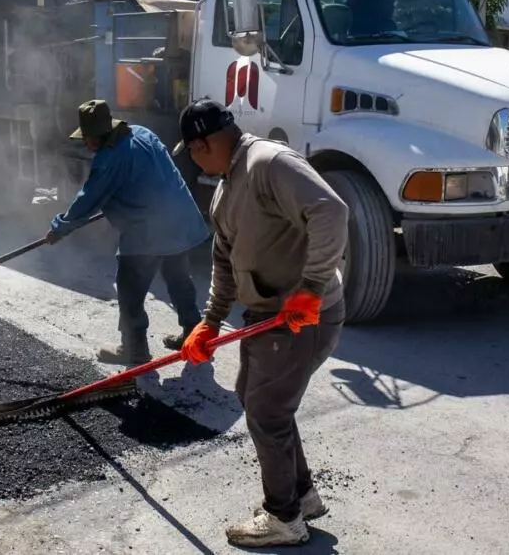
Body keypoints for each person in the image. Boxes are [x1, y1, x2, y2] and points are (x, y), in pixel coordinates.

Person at [175, 99, 349, 548]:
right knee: (257, 401)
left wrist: (310, 287)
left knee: (268, 411)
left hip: (299, 318)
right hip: (266, 317)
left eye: (193, 152)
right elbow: (225, 261)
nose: (196, 161)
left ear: (200, 144)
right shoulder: (225, 188)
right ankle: (302, 496)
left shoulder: (269, 163)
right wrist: (209, 323)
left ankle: (284, 517)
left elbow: (331, 212)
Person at [47, 99, 208, 366]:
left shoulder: (109, 159)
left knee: (130, 289)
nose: (86, 144)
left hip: (148, 231)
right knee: (178, 278)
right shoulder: (142, 133)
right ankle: (195, 335)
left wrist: (60, 228)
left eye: (86, 139)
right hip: (179, 221)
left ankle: (135, 350)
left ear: (98, 136)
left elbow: (87, 200)